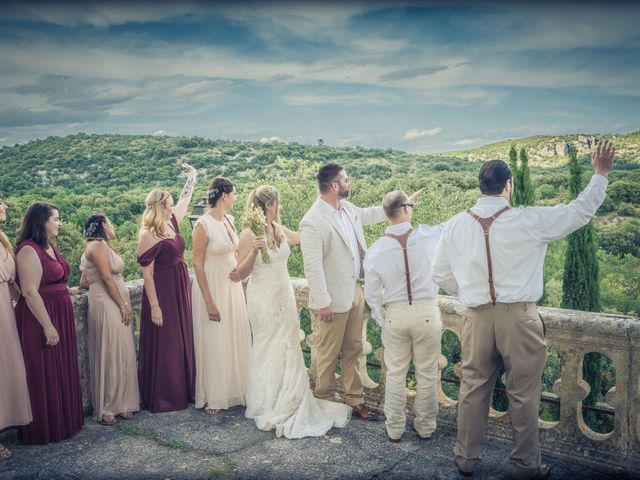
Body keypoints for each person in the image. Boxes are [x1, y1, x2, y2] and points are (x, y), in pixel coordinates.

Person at [432, 140, 615, 479]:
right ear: (507, 185)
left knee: (472, 390)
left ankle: (466, 459)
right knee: (523, 394)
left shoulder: (455, 224)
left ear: (480, 186)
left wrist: (471, 293)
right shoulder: (528, 219)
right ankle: (525, 467)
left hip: (474, 316)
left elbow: (439, 273)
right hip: (519, 316)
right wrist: (600, 174)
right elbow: (579, 211)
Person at [299, 163, 421, 420]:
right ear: (334, 185)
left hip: (355, 292)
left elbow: (374, 213)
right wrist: (322, 302)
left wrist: (404, 204)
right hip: (331, 299)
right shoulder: (311, 221)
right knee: (327, 353)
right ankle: (324, 401)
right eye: (346, 179)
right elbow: (312, 267)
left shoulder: (349, 209)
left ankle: (355, 400)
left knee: (354, 350)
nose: (349, 182)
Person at [236, 185, 351, 438]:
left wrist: (321, 213)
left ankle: (292, 395)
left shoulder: (278, 228)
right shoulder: (248, 234)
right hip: (262, 298)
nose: (281, 206)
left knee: (288, 343)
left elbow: (300, 237)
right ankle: (268, 402)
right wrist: (254, 250)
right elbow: (238, 274)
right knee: (268, 345)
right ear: (268, 205)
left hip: (284, 296)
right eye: (278, 202)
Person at [363, 190, 443, 442]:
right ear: (407, 209)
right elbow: (450, 229)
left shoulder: (376, 250)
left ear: (385, 214)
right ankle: (426, 426)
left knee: (396, 373)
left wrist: (381, 316)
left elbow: (372, 295)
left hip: (394, 314)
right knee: (427, 373)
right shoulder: (428, 236)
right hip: (426, 312)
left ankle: (395, 427)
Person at [14, 202, 84, 444]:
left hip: (59, 310)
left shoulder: (49, 247)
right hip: (40, 318)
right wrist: (47, 325)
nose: (59, 223)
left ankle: (65, 422)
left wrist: (67, 291)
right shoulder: (28, 250)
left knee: (60, 367)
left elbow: (53, 280)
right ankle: (46, 427)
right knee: (43, 370)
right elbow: (30, 292)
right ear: (42, 221)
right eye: (56, 219)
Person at [191, 177, 255, 413]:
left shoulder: (229, 220)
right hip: (212, 286)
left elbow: (235, 252)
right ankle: (214, 395)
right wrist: (209, 302)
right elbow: (197, 264)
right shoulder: (202, 225)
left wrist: (241, 268)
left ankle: (233, 389)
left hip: (231, 286)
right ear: (224, 196)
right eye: (234, 194)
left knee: (234, 333)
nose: (237, 198)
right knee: (215, 338)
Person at [137, 163, 197, 413]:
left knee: (181, 338)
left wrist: (192, 177)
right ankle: (165, 395)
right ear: (160, 206)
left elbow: (185, 199)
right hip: (162, 290)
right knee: (168, 340)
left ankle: (184, 389)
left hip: (179, 285)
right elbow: (147, 276)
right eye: (169, 203)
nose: (173, 206)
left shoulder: (172, 222)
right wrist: (155, 307)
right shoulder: (148, 234)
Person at [80, 214, 140, 425]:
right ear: (104, 225)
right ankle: (108, 406)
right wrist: (122, 304)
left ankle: (123, 402)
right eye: (111, 223)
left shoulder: (103, 246)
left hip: (112, 297)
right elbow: (105, 278)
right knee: (110, 350)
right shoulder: (97, 246)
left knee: (122, 350)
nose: (114, 227)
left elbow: (84, 280)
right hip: (107, 302)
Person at [0, 199, 32, 458]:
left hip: (6, 314)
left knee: (9, 372)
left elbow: (13, 284)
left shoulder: (3, 240)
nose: (4, 207)